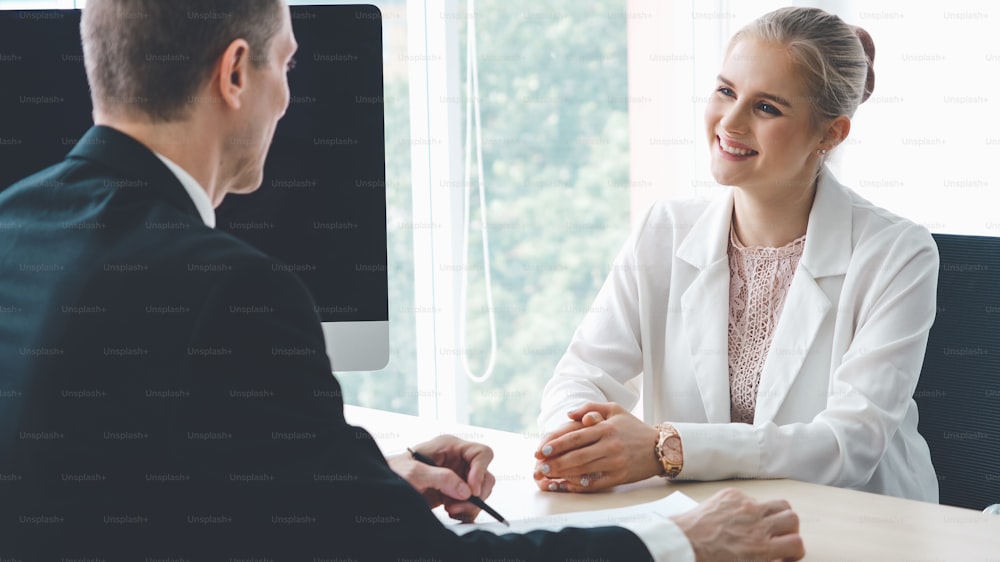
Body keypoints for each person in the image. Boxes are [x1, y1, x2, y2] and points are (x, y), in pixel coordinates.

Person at [0, 1, 805, 560]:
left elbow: (103, 466)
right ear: (236, 74)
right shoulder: (231, 291)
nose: (288, 96)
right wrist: (681, 543)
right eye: (286, 64)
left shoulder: (13, 228)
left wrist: (352, 474)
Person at [535, 6, 939, 503]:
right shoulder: (665, 228)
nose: (729, 121)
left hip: (859, 527)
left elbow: (848, 445)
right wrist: (573, 443)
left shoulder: (898, 253)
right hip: (709, 525)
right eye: (726, 91)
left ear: (829, 134)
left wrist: (667, 449)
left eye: (766, 107)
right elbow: (581, 376)